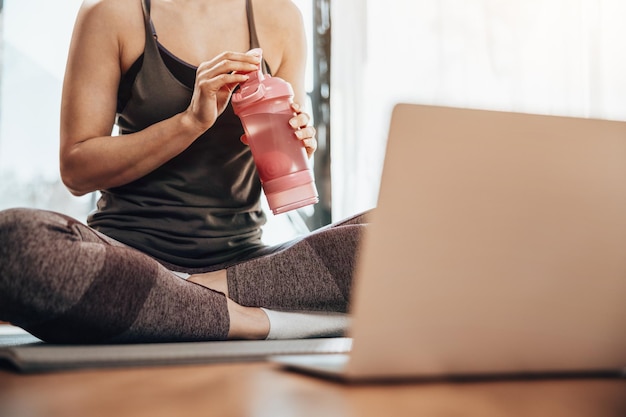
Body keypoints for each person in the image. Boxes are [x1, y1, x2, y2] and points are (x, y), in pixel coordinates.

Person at [0, 0, 367, 343]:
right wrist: (190, 122)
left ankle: (185, 301)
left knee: (397, 233)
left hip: (243, 264)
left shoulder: (279, 16)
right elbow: (76, 170)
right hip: (128, 258)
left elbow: (279, 172)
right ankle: (255, 321)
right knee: (14, 241)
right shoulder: (113, 12)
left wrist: (294, 142)